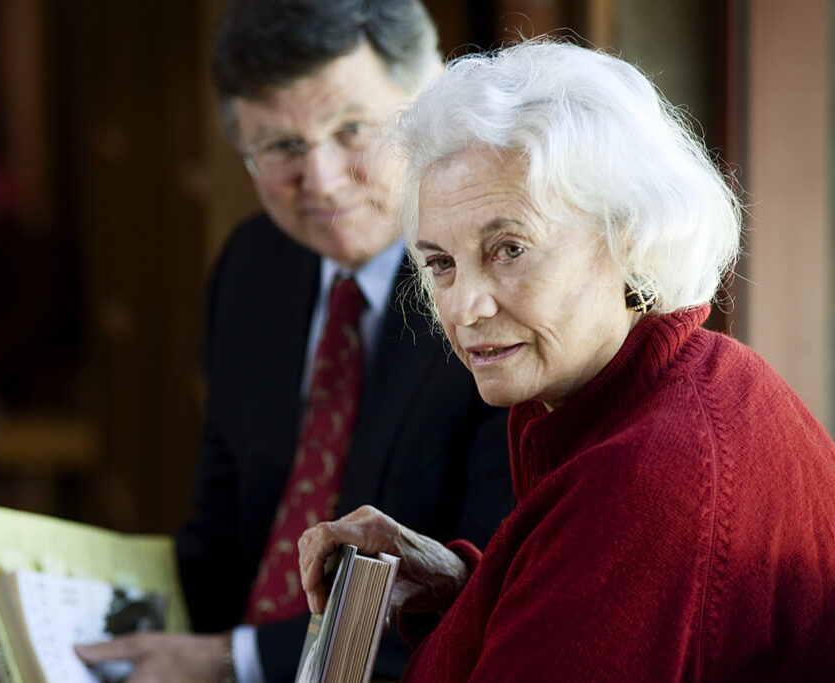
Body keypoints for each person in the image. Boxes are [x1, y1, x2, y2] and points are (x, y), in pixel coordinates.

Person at [298, 38, 835, 681]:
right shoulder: (709, 376)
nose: (465, 307)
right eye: (440, 262)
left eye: (509, 249)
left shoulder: (649, 481)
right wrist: (458, 581)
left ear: (629, 237)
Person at [75, 1, 514, 681]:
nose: (323, 180)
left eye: (354, 130)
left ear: (428, 105)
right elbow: (223, 532)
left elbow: (485, 599)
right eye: (281, 146)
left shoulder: (490, 298)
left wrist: (229, 661)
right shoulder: (252, 269)